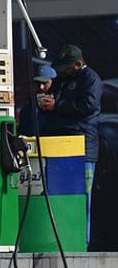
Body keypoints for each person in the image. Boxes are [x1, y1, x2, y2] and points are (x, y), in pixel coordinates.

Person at [39, 44, 102, 241]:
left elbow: (88, 106)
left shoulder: (91, 79)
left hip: (83, 148)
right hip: (59, 147)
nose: (63, 71)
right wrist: (46, 103)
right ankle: (63, 239)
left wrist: (57, 105)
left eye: (66, 66)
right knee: (61, 199)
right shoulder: (62, 81)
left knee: (82, 199)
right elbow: (53, 104)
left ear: (78, 64)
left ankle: (83, 242)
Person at [18, 64, 57, 136]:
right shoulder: (27, 110)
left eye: (45, 83)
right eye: (37, 83)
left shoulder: (63, 109)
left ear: (53, 83)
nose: (41, 87)